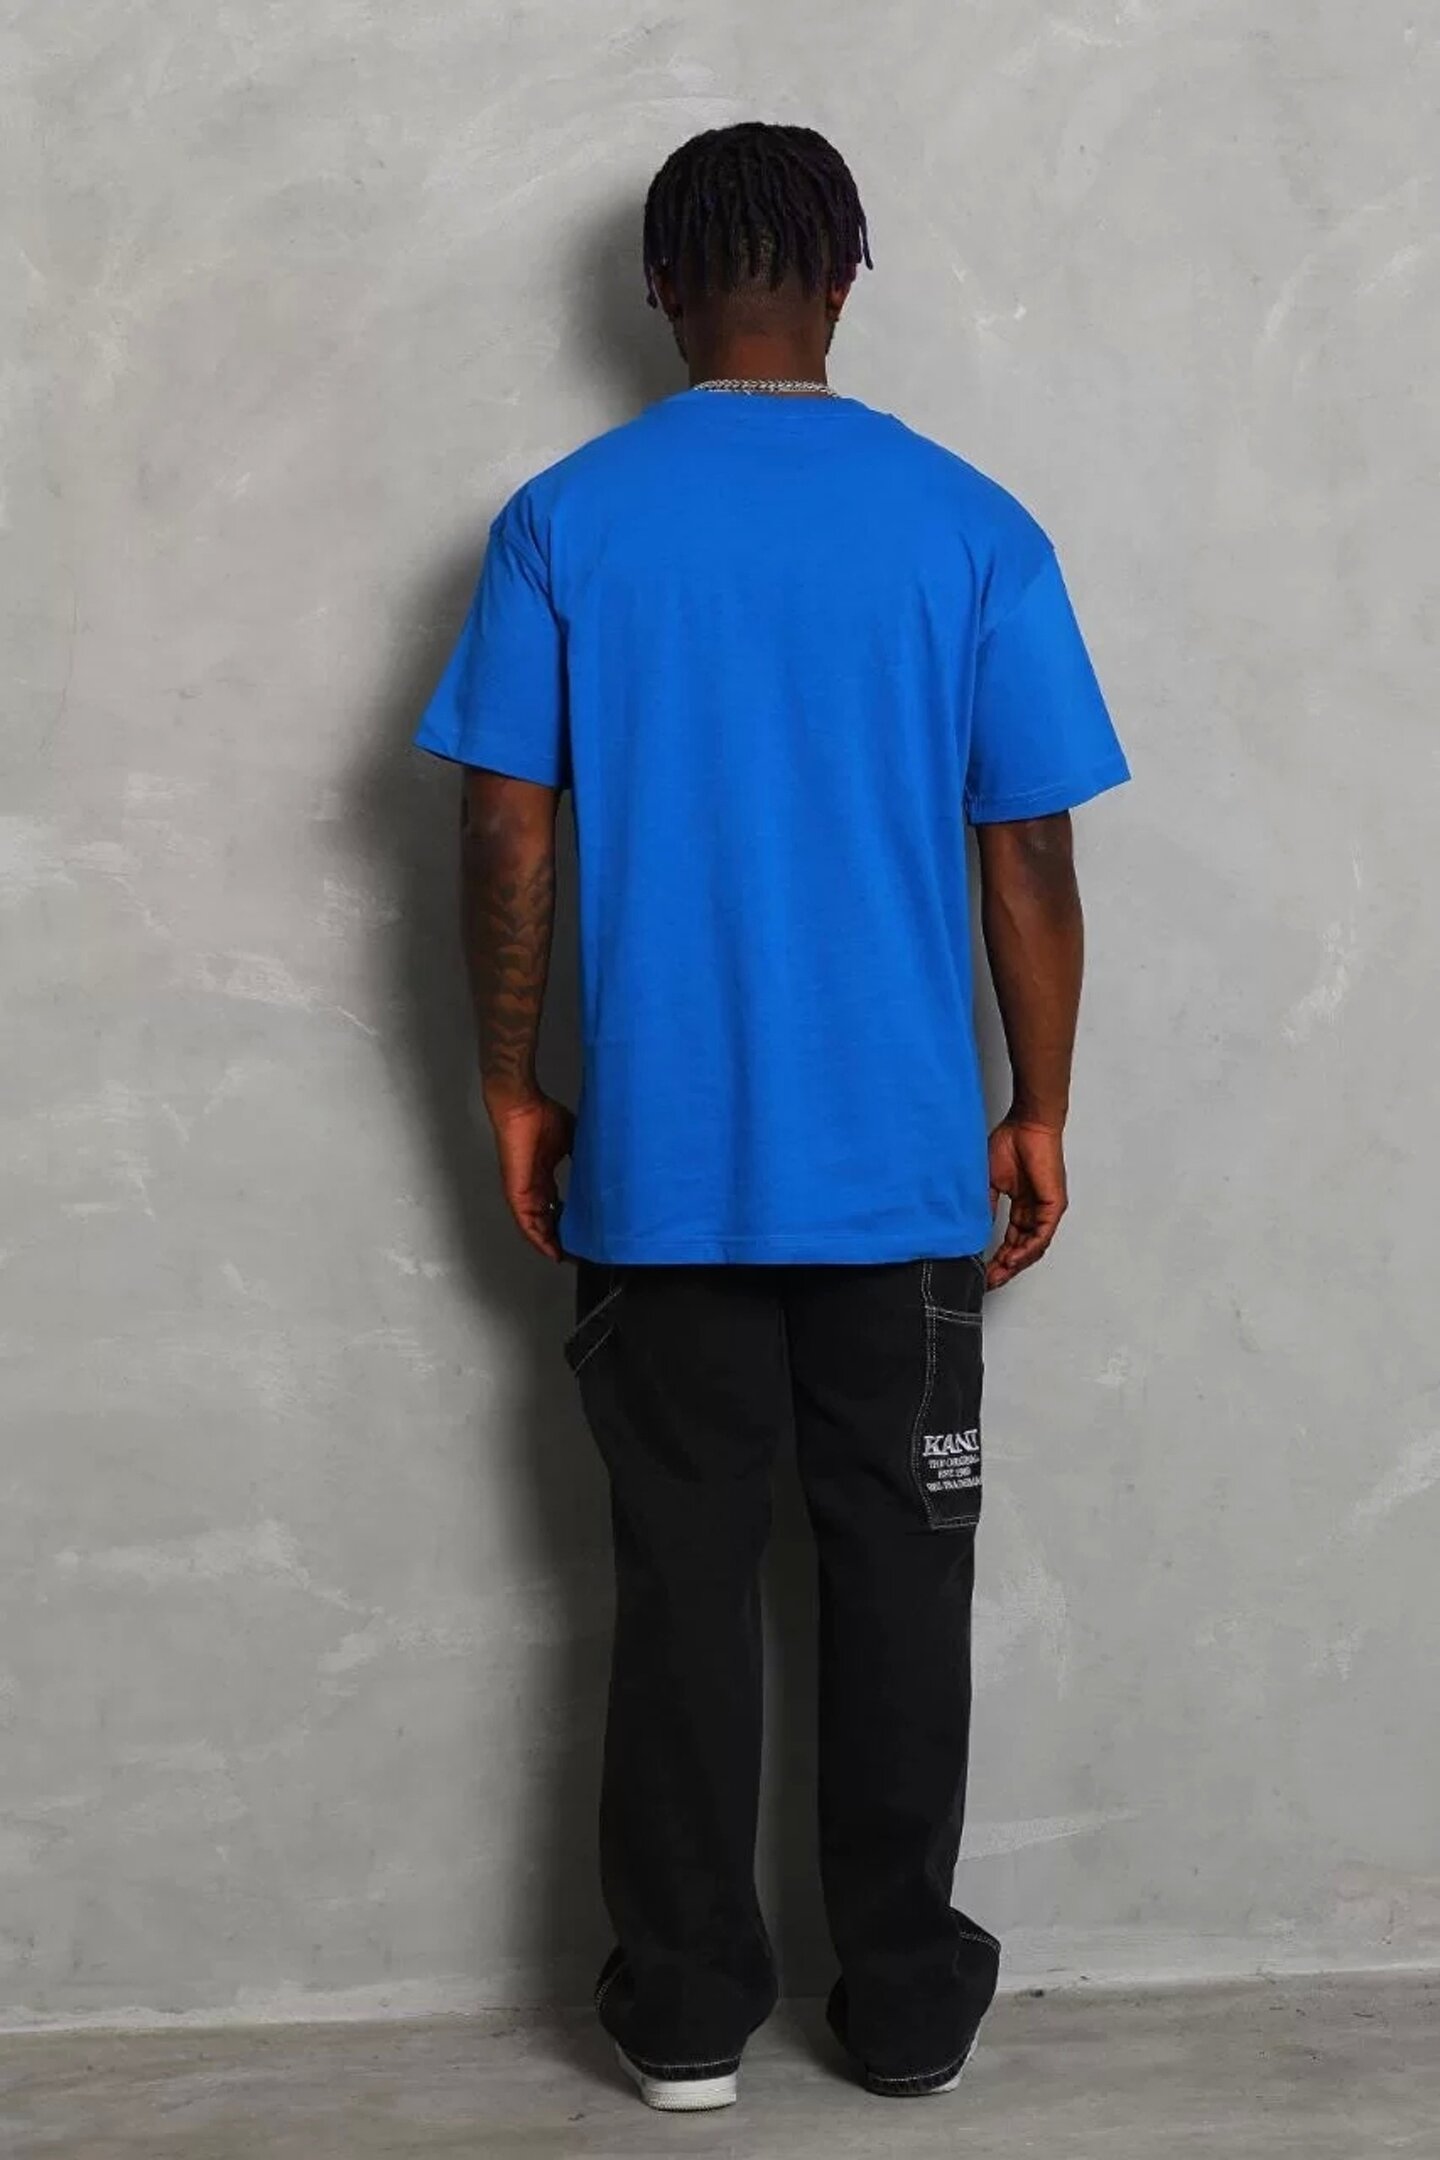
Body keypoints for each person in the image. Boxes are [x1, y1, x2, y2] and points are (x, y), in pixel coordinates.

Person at [414, 120, 1129, 2113]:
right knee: (900, 1580)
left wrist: (510, 1083)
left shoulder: (567, 521)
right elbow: (1027, 851)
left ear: (661, 286)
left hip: (661, 1179)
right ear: (845, 277)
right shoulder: (968, 525)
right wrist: (1041, 1105)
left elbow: (504, 828)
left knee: (679, 1587)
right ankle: (902, 2008)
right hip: (900, 1178)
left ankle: (681, 2015)